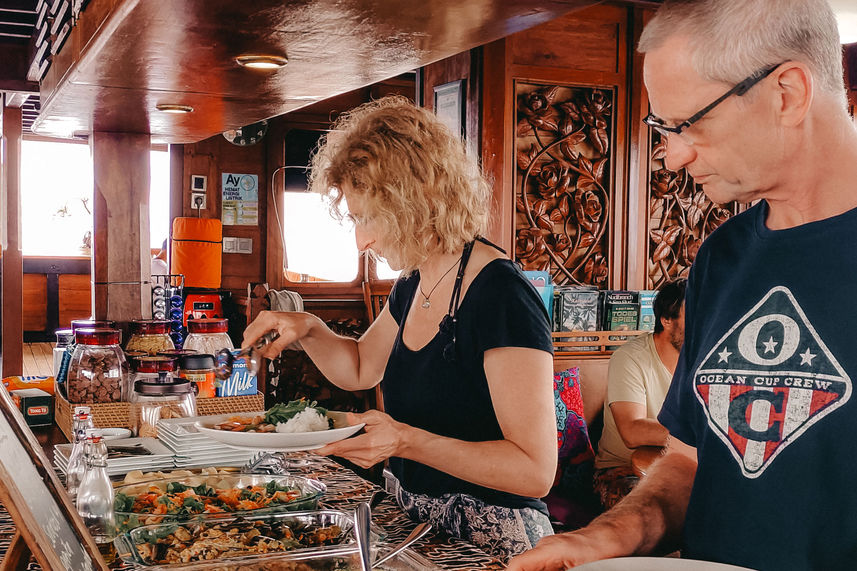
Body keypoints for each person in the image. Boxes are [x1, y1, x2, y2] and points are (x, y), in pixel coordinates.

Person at [507, 0, 857, 569]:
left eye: (690, 123)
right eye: (662, 128)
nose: (672, 156)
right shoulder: (722, 256)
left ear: (787, 92)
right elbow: (688, 461)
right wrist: (611, 533)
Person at [242, 96, 557, 560]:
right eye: (355, 219)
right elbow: (360, 368)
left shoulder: (501, 296)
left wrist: (408, 441)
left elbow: (534, 470)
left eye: (368, 218)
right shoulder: (414, 282)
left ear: (420, 198)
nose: (361, 240)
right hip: (418, 520)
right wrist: (307, 327)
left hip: (495, 540)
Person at [592, 278, 686, 509]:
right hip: (621, 469)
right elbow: (632, 431)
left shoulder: (706, 360)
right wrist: (699, 432)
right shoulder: (630, 358)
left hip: (682, 466)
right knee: (651, 509)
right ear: (666, 320)